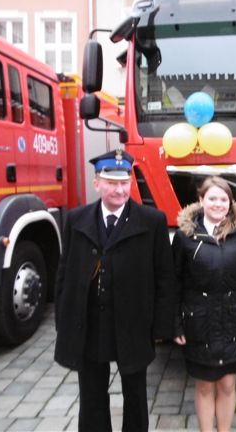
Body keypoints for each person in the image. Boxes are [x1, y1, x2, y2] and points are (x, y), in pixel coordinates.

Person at [54, 149, 176, 432]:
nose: (119, 190)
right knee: (91, 393)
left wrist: (162, 326)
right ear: (97, 183)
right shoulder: (76, 219)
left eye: (124, 183)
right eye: (111, 183)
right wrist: (63, 318)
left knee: (135, 393)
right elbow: (64, 272)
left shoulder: (152, 221)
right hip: (90, 322)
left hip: (134, 323)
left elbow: (165, 278)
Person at [172, 176, 236, 432]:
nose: (218, 204)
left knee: (227, 384)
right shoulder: (184, 236)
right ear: (201, 200)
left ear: (231, 202)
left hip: (235, 323)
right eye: (212, 198)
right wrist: (175, 324)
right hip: (199, 323)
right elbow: (174, 283)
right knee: (205, 385)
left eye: (223, 199)